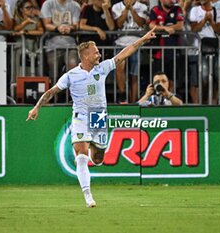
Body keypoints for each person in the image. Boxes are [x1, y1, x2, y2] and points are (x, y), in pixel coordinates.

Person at [26, 27, 156, 208]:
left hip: (99, 116)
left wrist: (143, 39)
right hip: (80, 116)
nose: (99, 55)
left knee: (98, 158)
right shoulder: (71, 75)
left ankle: (94, 156)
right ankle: (88, 196)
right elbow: (51, 91)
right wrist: (36, 108)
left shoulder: (102, 69)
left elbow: (125, 53)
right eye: (96, 52)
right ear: (85, 56)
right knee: (81, 154)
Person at [112, 0, 148, 103]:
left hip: (136, 44)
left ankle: (133, 102)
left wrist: (132, 9)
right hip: (120, 43)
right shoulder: (116, 6)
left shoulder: (142, 6)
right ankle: (122, 95)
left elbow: (141, 23)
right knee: (120, 66)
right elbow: (118, 24)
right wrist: (126, 10)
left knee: (134, 75)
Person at [189, 0, 220, 104]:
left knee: (216, 77)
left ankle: (213, 102)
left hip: (215, 48)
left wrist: (211, 20)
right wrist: (204, 20)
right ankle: (202, 102)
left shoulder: (218, 11)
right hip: (199, 50)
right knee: (202, 78)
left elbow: (219, 31)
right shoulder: (195, 10)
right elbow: (193, 29)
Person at [40, 0, 80, 85]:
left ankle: (72, 96)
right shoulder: (48, 4)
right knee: (54, 75)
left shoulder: (75, 5)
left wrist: (70, 28)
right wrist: (57, 28)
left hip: (71, 45)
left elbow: (76, 24)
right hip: (52, 46)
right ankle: (56, 98)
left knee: (73, 70)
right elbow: (46, 24)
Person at [149, 0, 184, 95]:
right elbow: (151, 25)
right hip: (159, 52)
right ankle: (159, 100)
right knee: (158, 79)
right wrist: (165, 28)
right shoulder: (155, 10)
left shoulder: (177, 9)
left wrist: (170, 27)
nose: (171, 1)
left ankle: (169, 99)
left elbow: (180, 25)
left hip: (173, 50)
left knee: (172, 78)